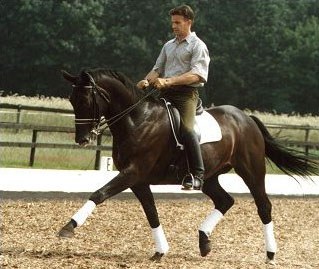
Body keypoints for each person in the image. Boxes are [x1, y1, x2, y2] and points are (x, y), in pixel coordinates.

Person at [137, 5, 210, 190]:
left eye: (178, 23)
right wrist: (145, 81)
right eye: (172, 23)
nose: (174, 26)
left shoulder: (198, 46)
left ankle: (198, 174)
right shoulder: (168, 45)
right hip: (164, 93)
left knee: (186, 129)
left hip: (186, 95)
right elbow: (157, 69)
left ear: (189, 22)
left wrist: (169, 81)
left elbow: (198, 75)